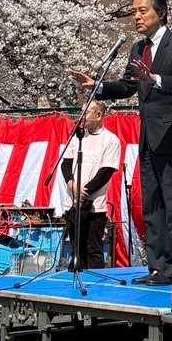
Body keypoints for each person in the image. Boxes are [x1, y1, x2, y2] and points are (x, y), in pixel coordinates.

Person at [69, 0, 172, 285]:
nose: (137, 17)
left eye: (143, 11)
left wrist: (154, 79)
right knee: (152, 205)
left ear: (161, 13)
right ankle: (157, 268)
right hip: (148, 138)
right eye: (134, 12)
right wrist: (98, 86)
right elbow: (128, 86)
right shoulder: (138, 49)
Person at [60, 101, 121, 269]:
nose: (82, 116)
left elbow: (106, 171)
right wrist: (71, 184)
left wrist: (84, 191)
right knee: (76, 248)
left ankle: (96, 282)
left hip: (94, 205)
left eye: (86, 112)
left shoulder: (111, 140)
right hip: (73, 202)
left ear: (99, 115)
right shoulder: (76, 138)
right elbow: (66, 164)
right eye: (81, 112)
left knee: (93, 247)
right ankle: (77, 278)